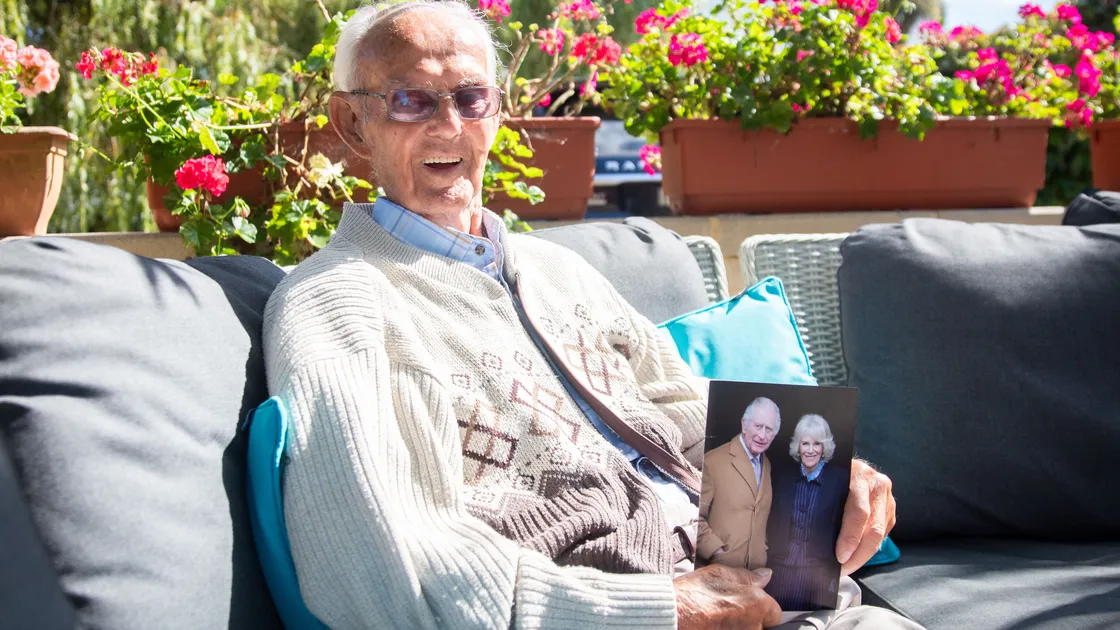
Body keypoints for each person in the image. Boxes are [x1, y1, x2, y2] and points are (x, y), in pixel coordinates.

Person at [262, 2, 911, 628]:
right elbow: (373, 556)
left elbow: (687, 416)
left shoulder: (558, 271)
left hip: (773, 585)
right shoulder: (338, 299)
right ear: (351, 124)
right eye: (412, 99)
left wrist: (826, 474)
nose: (449, 125)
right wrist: (659, 611)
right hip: (629, 604)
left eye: (471, 97)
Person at [766, 414, 850, 613]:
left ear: (824, 447)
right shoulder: (781, 476)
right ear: (798, 446)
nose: (810, 450)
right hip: (780, 569)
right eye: (805, 443)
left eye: (817, 444)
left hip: (818, 573)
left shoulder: (840, 479)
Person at [697, 397, 780, 571]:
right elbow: (694, 516)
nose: (762, 435)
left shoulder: (767, 465)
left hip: (756, 574)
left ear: (775, 434)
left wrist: (762, 547)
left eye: (769, 429)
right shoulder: (713, 460)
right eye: (758, 426)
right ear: (744, 424)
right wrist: (715, 551)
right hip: (717, 571)